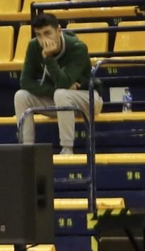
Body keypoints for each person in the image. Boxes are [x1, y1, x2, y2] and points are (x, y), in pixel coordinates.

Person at [16, 13, 98, 155]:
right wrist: (54, 89)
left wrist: (48, 58)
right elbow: (25, 81)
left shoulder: (77, 47)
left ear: (59, 30)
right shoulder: (34, 46)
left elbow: (63, 82)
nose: (43, 40)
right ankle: (26, 149)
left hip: (88, 100)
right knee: (21, 96)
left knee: (61, 93)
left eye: (47, 33)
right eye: (39, 35)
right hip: (59, 100)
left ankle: (67, 149)